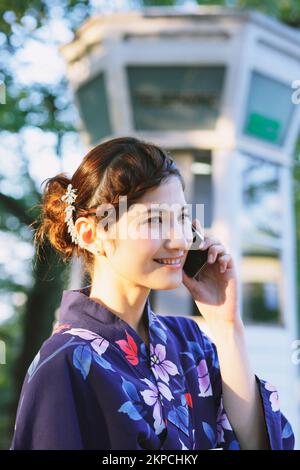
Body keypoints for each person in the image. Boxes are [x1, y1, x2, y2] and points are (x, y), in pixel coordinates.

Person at [11, 136, 294, 450]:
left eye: (183, 219)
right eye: (155, 220)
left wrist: (227, 325)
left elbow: (258, 443)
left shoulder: (190, 342)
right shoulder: (63, 363)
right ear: (92, 234)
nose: (179, 241)